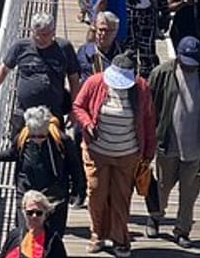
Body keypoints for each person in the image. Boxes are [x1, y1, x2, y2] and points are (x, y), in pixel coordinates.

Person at [146, 36, 200, 247]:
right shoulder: (162, 73)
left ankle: (182, 230)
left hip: (196, 145)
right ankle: (155, 216)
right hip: (167, 142)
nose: (188, 68)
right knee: (162, 186)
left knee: (189, 192)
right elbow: (147, 103)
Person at [71, 53, 157, 258]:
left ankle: (120, 239)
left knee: (121, 197)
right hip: (97, 152)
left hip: (127, 153)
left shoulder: (141, 87)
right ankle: (97, 234)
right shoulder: (95, 82)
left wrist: (148, 152)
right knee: (96, 193)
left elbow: (148, 119)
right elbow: (78, 106)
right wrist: (87, 123)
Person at [0, 106, 84, 237]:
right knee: (26, 234)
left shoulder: (62, 141)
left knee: (53, 236)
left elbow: (75, 167)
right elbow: (12, 154)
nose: (37, 139)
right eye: (33, 136)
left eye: (41, 136)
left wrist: (76, 191)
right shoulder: (22, 139)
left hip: (54, 195)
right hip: (26, 192)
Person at [0, 13, 82, 133]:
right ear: (32, 31)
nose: (40, 39)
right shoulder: (21, 47)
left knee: (57, 148)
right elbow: (3, 69)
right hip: (24, 113)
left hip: (53, 114)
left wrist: (74, 108)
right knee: (18, 148)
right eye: (37, 34)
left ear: (53, 32)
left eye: (45, 35)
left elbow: (74, 79)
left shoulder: (64, 48)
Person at [0, 189, 68, 258]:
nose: (34, 216)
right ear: (23, 212)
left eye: (39, 213)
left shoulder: (53, 241)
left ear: (45, 214)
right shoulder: (14, 235)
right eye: (30, 212)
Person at [77, 12, 122, 81]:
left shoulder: (122, 53)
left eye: (108, 31)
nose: (103, 34)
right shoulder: (83, 51)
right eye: (101, 29)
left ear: (115, 32)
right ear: (95, 29)